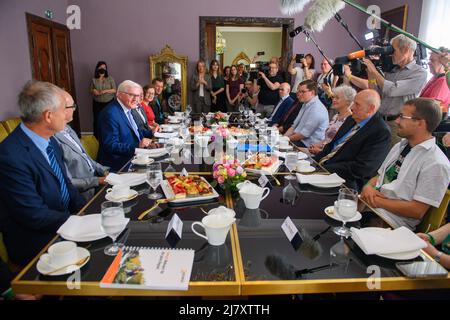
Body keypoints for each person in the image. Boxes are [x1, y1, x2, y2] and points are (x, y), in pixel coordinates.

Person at [0, 81, 86, 266]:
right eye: (64, 108)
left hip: (64, 225)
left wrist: (87, 211)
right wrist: (78, 222)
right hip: (39, 243)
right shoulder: (10, 156)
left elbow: (66, 185)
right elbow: (34, 215)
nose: (68, 115)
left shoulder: (50, 141)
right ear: (48, 116)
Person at [360, 98, 450, 230]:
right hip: (372, 208)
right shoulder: (400, 145)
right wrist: (367, 187)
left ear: (420, 123)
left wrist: (376, 200)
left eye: (402, 117)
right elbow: (379, 176)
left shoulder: (436, 163)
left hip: (391, 222)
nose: (396, 121)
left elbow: (417, 210)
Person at [344, 34, 428, 145]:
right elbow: (376, 93)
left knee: (388, 156)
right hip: (379, 118)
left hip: (397, 123)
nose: (390, 53)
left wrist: (374, 71)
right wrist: (371, 75)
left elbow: (392, 90)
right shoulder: (391, 70)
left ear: (407, 50)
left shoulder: (419, 73)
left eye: (393, 50)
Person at [315, 89, 391, 191]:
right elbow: (332, 146)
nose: (352, 107)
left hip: (346, 182)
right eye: (353, 103)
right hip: (325, 169)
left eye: (357, 104)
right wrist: (314, 163)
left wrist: (324, 168)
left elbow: (362, 168)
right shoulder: (351, 118)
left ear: (371, 108)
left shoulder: (381, 132)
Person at [55, 91, 109, 201]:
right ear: (62, 110)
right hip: (82, 195)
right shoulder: (52, 139)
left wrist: (104, 171)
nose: (74, 109)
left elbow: (86, 158)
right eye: (72, 106)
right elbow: (66, 181)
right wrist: (97, 180)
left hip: (96, 183)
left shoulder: (68, 129)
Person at [97, 80, 156, 171]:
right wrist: (137, 145)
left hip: (137, 156)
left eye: (138, 95)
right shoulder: (110, 113)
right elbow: (111, 145)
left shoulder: (129, 108)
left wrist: (151, 132)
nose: (136, 99)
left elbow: (137, 132)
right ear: (119, 94)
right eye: (132, 95)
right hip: (120, 164)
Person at [308, 85, 356, 155]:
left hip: (330, 157)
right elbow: (327, 139)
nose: (333, 100)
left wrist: (320, 151)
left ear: (347, 101)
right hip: (322, 152)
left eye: (337, 98)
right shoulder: (336, 116)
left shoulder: (351, 120)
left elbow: (341, 147)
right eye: (333, 97)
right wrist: (316, 145)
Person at [284, 80, 329, 147]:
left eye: (302, 92)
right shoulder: (306, 103)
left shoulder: (317, 109)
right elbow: (293, 126)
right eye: (298, 91)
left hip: (309, 146)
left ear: (312, 92)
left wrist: (285, 139)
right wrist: (283, 137)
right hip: (299, 140)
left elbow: (304, 134)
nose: (299, 94)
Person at [420, 49, 450, 117]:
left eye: (432, 60)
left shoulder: (443, 81)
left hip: (430, 120)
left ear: (443, 63)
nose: (429, 63)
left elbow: (432, 106)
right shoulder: (435, 77)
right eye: (429, 60)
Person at [90, 61, 116, 139]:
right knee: (97, 120)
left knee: (109, 119)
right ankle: (97, 138)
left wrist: (105, 91)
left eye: (104, 67)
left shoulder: (110, 78)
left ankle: (110, 136)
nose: (102, 69)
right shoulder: (94, 79)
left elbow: (115, 90)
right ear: (97, 68)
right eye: (101, 67)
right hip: (97, 103)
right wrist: (94, 91)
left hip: (109, 102)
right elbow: (91, 90)